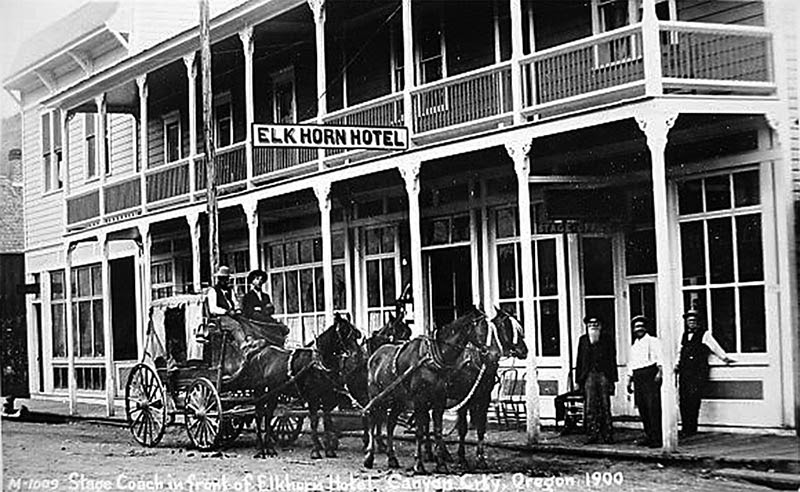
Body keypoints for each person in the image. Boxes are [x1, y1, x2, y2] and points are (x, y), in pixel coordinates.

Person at [676, 309, 735, 437]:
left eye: (694, 321)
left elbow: (715, 347)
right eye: (689, 321)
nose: (691, 323)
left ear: (698, 322)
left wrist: (725, 358)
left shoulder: (705, 334)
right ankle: (685, 428)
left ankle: (691, 429)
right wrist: (677, 364)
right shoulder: (684, 335)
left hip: (697, 372)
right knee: (683, 400)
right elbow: (680, 351)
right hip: (685, 371)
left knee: (693, 399)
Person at [575, 316, 618, 444]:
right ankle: (592, 434)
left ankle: (607, 435)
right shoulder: (583, 340)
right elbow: (579, 361)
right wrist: (578, 380)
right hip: (589, 376)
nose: (593, 325)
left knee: (605, 405)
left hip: (603, 375)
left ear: (600, 325)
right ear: (587, 326)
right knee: (590, 406)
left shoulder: (607, 339)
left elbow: (612, 359)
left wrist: (612, 380)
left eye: (596, 323)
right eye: (590, 324)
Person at [626, 315, 662, 448]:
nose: (639, 329)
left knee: (653, 407)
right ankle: (649, 435)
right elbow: (631, 364)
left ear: (645, 328)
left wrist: (660, 372)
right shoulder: (634, 345)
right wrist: (629, 380)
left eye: (641, 326)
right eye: (636, 327)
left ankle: (657, 438)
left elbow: (660, 357)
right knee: (643, 407)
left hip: (650, 374)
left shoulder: (653, 341)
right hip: (638, 376)